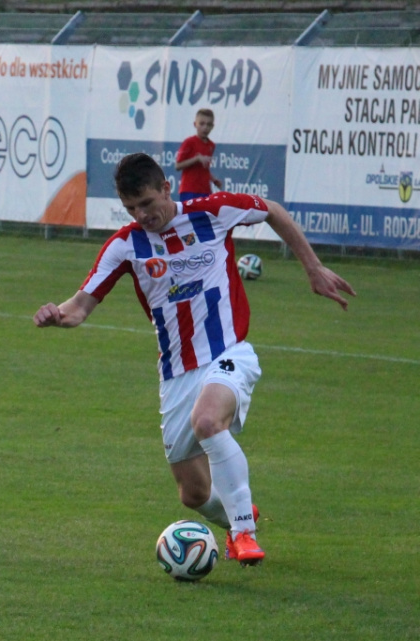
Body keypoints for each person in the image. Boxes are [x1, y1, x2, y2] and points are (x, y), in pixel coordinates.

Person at [33, 153, 355, 566]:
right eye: (131, 208)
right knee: (194, 494)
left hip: (229, 353)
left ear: (167, 188)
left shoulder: (212, 212)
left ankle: (243, 534)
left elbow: (272, 210)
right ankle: (239, 513)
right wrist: (55, 316)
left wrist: (313, 268)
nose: (141, 215)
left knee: (207, 421)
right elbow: (78, 307)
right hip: (175, 375)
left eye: (147, 203)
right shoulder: (125, 245)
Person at [175, 108, 223, 202]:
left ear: (212, 126)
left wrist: (213, 180)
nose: (205, 127)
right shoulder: (189, 142)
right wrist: (196, 159)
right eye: (202, 124)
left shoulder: (211, 145)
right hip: (189, 190)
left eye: (209, 124)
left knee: (206, 215)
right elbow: (177, 166)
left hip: (205, 190)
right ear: (195, 124)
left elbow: (204, 169)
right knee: (190, 216)